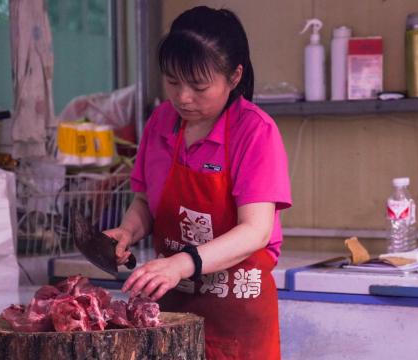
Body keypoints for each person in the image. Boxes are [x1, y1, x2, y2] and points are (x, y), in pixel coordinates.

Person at [103, 6, 291, 360]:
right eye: (173, 82)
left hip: (237, 322)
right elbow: (147, 202)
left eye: (199, 86)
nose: (183, 97)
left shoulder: (255, 132)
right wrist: (127, 231)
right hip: (170, 316)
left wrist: (181, 263)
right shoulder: (161, 121)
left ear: (234, 77)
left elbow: (256, 231)